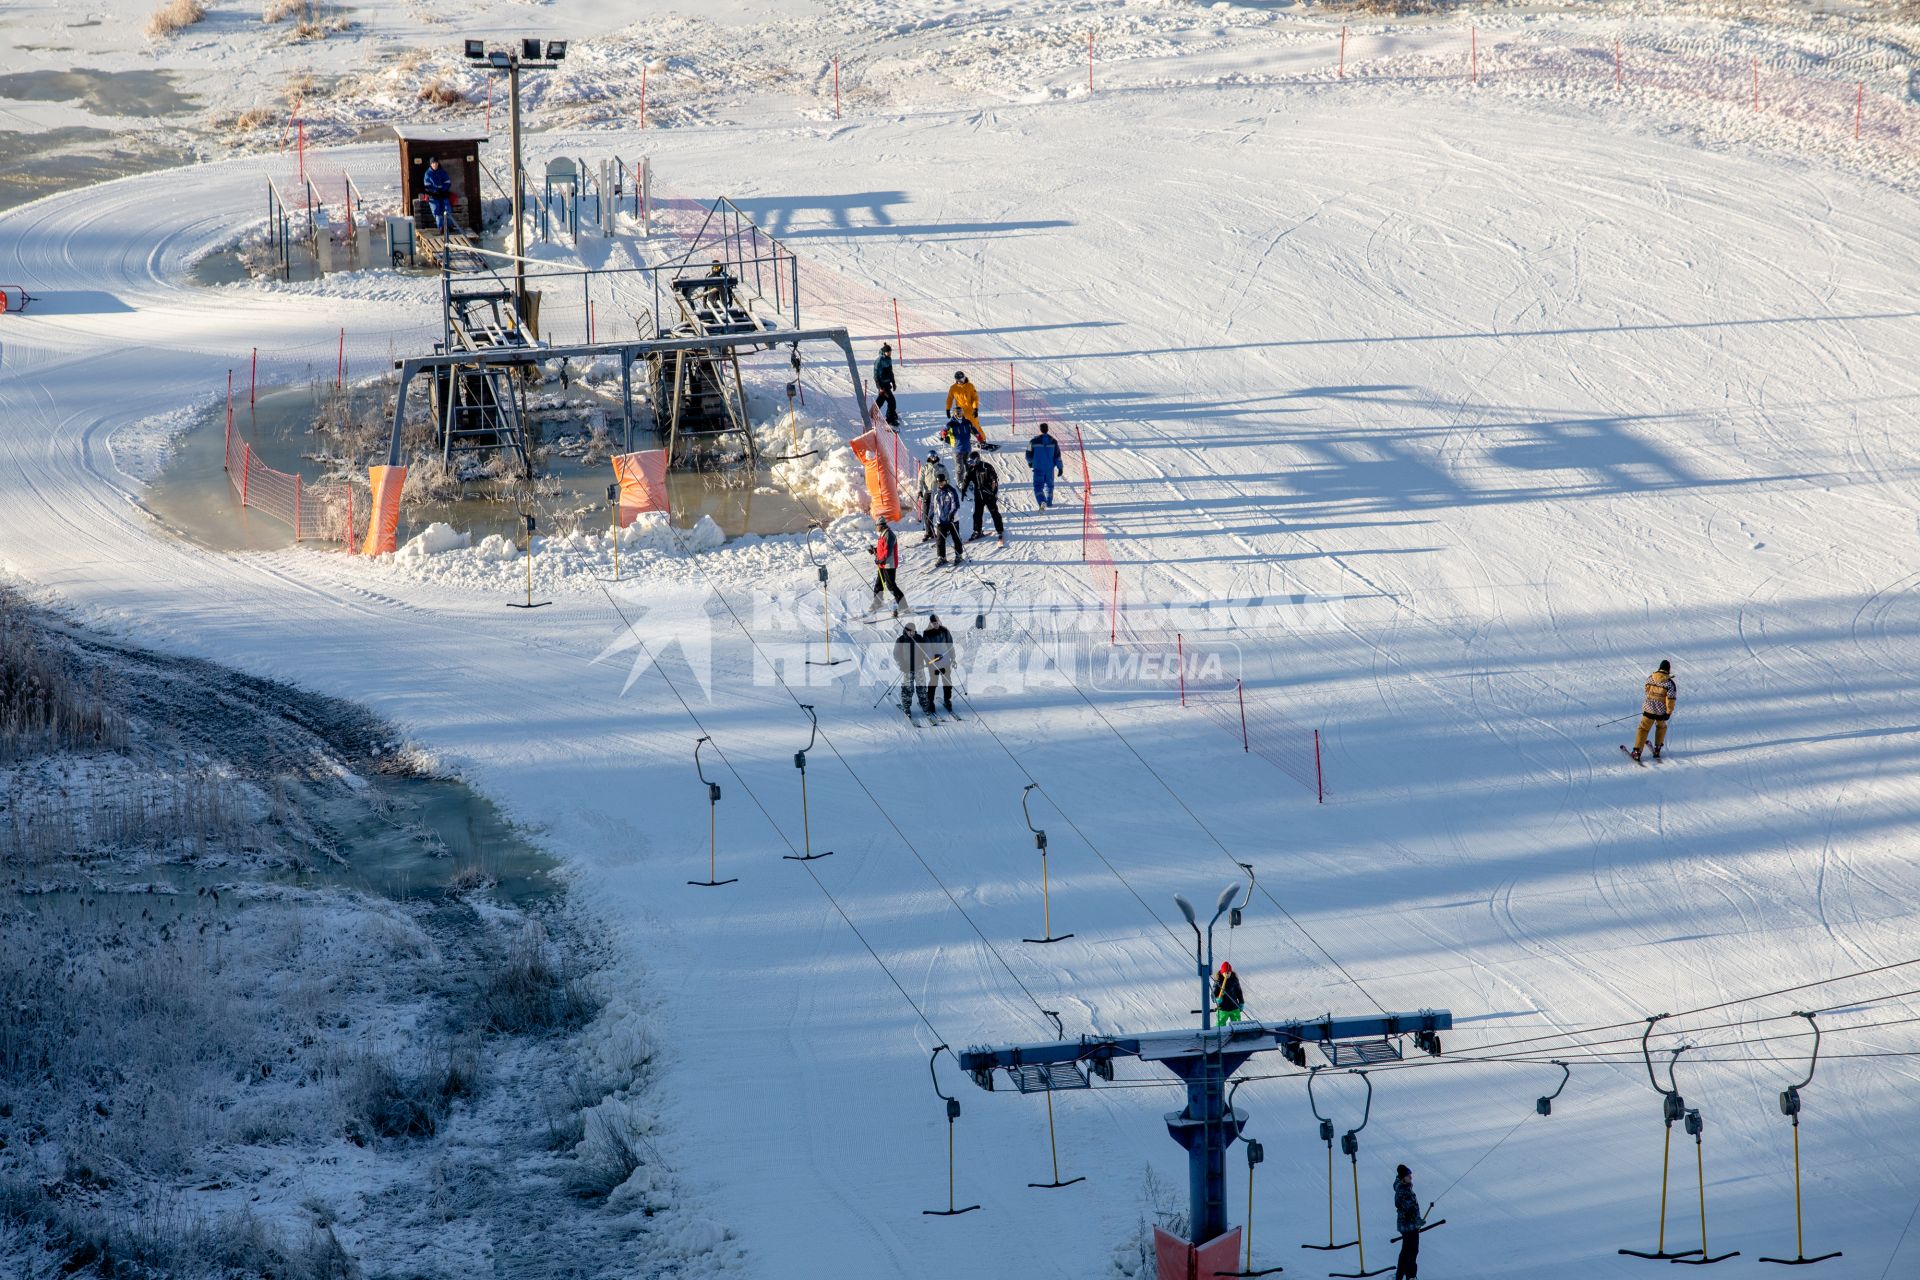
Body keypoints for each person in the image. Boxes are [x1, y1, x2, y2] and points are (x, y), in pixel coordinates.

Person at [1630, 659, 1678, 762]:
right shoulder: (1670, 683)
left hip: (1649, 710)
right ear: (1668, 670)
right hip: (1661, 712)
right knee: (1661, 727)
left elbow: (1647, 690)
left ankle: (1637, 751)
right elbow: (1671, 699)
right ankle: (1657, 748)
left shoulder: (1650, 678)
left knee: (1643, 729)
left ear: (1659, 668)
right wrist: (1669, 712)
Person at [962, 450, 1004, 543]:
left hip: (989, 495)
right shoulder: (971, 469)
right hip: (978, 495)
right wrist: (963, 490)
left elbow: (994, 481)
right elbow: (966, 479)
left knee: (994, 512)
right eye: (969, 462)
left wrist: (994, 492)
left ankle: (1000, 530)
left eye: (972, 462)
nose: (971, 464)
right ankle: (977, 531)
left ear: (977, 460)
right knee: (977, 514)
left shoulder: (987, 467)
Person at [1393, 1165, 1426, 1280]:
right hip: (1408, 1226)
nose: (1411, 1177)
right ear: (1403, 1177)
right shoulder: (1403, 1190)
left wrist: (1417, 1220)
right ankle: (1411, 1276)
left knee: (1406, 1251)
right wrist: (1417, 1220)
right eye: (1408, 1175)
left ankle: (1399, 1276)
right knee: (1412, 1251)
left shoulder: (1405, 1187)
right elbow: (1408, 1208)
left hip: (1408, 1225)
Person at [921, 614, 956, 715]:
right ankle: (930, 701)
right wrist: (931, 660)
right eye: (933, 623)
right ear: (930, 623)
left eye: (936, 623)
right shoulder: (927, 633)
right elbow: (926, 649)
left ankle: (947, 699)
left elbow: (950, 646)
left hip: (945, 661)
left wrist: (953, 658)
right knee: (933, 682)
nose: (935, 625)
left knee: (947, 681)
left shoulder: (945, 631)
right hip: (934, 663)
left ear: (939, 621)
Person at [870, 518, 905, 616]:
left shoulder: (889, 535)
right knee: (879, 584)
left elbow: (888, 551)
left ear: (881, 525)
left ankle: (903, 605)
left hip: (889, 564)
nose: (876, 528)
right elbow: (882, 549)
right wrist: (875, 550)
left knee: (891, 586)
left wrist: (880, 560)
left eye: (876, 526)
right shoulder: (883, 534)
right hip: (882, 564)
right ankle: (877, 603)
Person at [894, 621, 927, 720]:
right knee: (908, 689)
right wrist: (902, 665)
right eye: (911, 631)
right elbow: (896, 654)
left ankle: (924, 704)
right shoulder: (901, 640)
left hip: (919, 667)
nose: (913, 633)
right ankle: (906, 707)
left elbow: (926, 650)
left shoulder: (919, 638)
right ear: (906, 631)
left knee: (922, 687)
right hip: (907, 668)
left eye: (914, 631)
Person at [1026, 422, 1064, 508]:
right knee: (1050, 485)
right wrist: (1060, 468)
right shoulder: (1054, 441)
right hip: (1049, 468)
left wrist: (1030, 462)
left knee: (1038, 486)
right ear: (1047, 429)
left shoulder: (1032, 441)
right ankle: (1049, 502)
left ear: (1040, 429)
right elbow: (1057, 455)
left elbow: (1028, 454)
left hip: (1038, 467)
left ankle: (1042, 501)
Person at [933, 475, 963, 566]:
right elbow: (934, 506)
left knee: (956, 538)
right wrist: (930, 516)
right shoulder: (937, 493)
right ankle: (941, 557)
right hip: (941, 520)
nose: (941, 484)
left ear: (946, 481)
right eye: (939, 483)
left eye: (943, 482)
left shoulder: (951, 491)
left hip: (952, 520)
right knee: (940, 539)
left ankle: (959, 555)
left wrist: (951, 514)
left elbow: (956, 505)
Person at [423, 156, 454, 232]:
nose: (435, 165)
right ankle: (441, 227)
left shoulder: (442, 172)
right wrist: (435, 191)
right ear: (431, 164)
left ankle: (449, 226)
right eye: (433, 163)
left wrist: (442, 190)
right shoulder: (428, 174)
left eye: (436, 163)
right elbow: (427, 185)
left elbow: (447, 182)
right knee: (437, 211)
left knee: (447, 209)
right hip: (433, 196)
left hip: (442, 194)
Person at [872, 343, 899, 428]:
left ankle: (873, 413)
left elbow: (890, 372)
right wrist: (880, 388)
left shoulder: (888, 359)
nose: (890, 353)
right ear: (884, 352)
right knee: (892, 402)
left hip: (887, 383)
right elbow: (876, 376)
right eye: (888, 352)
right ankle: (890, 419)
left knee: (881, 399)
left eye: (890, 352)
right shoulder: (879, 361)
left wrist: (893, 382)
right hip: (882, 385)